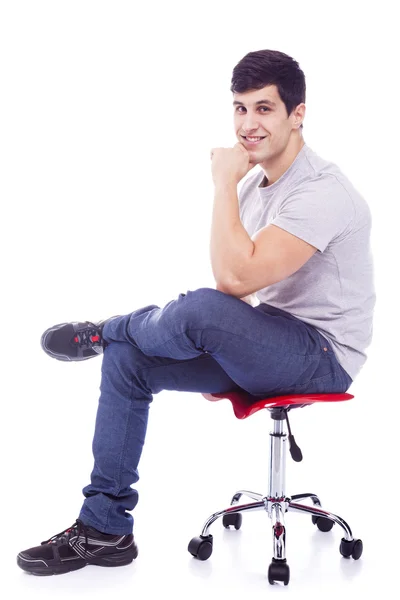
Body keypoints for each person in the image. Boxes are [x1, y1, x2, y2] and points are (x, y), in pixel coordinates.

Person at [17, 48, 375, 576]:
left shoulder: (322, 192)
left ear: (298, 114)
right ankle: (105, 530)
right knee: (127, 360)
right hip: (271, 343)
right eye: (239, 108)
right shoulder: (255, 186)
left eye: (264, 109)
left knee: (192, 312)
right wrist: (220, 349)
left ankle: (106, 328)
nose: (248, 125)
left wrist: (222, 183)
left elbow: (231, 281)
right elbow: (238, 285)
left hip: (322, 355)